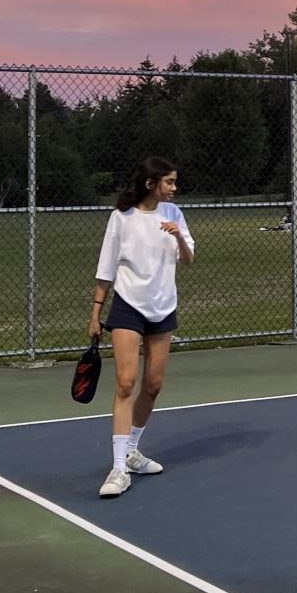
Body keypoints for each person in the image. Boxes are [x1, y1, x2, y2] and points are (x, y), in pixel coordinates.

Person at [91, 156, 194, 498]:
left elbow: (189, 259)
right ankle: (118, 468)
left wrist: (178, 236)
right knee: (125, 383)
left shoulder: (174, 215)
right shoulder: (121, 218)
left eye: (175, 182)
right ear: (151, 183)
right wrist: (95, 313)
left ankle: (133, 451)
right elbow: (106, 268)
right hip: (127, 308)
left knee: (153, 386)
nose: (174, 188)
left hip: (163, 309)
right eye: (169, 182)